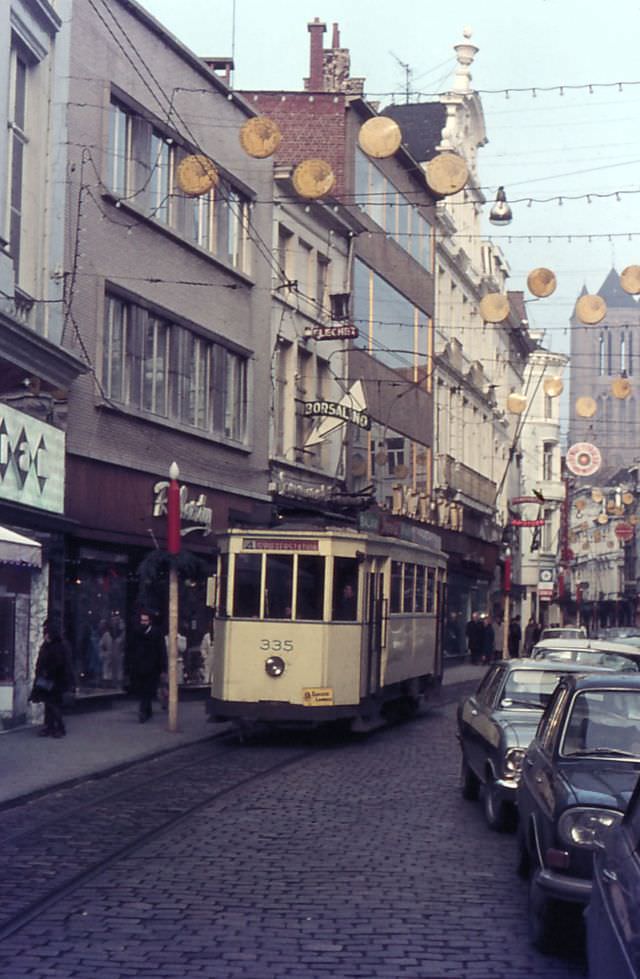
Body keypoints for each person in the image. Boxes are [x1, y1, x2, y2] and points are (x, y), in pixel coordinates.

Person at [29, 620, 73, 738]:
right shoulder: (48, 645)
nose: (45, 635)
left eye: (47, 633)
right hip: (47, 680)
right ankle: (50, 727)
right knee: (49, 704)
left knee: (53, 704)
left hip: (55, 680)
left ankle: (59, 727)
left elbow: (60, 664)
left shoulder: (59, 646)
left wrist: (47, 672)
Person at [128, 610, 166, 723]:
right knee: (143, 690)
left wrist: (162, 667)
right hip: (139, 667)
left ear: (150, 621)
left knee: (148, 690)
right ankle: (146, 710)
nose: (143, 623)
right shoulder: (136, 633)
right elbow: (131, 649)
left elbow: (161, 650)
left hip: (152, 667)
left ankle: (143, 711)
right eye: (142, 620)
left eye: (145, 620)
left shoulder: (156, 633)